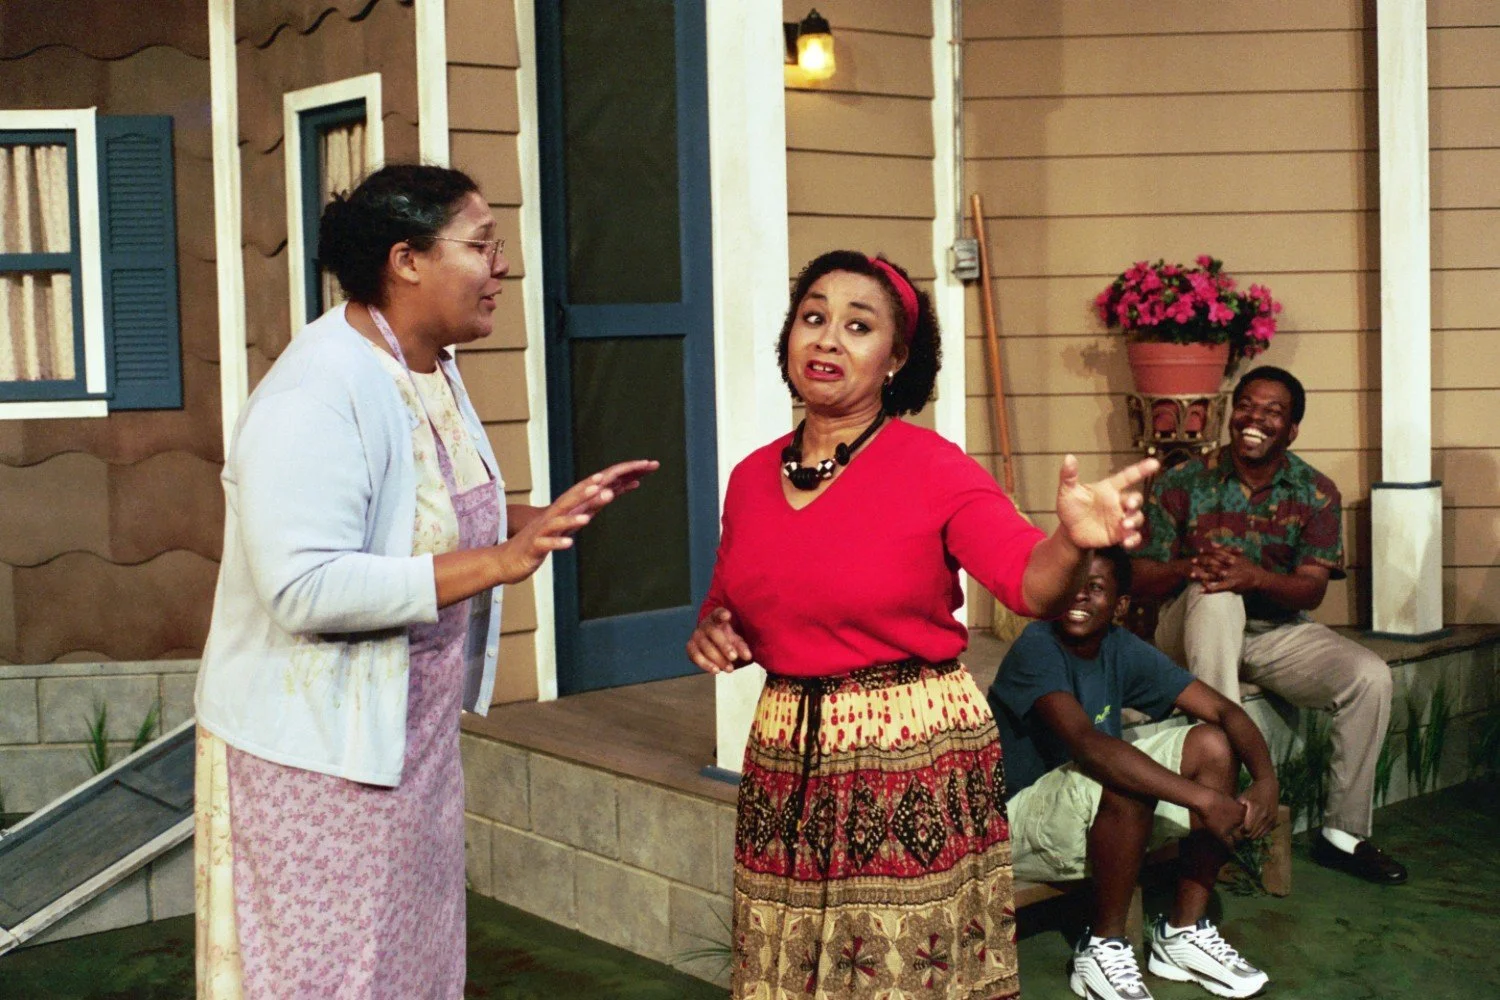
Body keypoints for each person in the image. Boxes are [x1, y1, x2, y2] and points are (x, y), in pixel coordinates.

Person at [192, 164, 656, 999]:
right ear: (406, 260)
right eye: (481, 245)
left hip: (412, 744)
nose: (501, 266)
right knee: (334, 979)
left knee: (413, 967)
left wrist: (540, 518)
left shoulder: (429, 366)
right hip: (322, 763)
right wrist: (501, 563)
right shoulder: (317, 390)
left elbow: (427, 510)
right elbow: (304, 586)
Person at [686, 249, 1159, 1000]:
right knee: (789, 968)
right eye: (812, 318)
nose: (828, 339)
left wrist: (1072, 540)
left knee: (896, 973)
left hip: (907, 749)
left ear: (897, 357)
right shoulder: (750, 478)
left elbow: (1027, 581)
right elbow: (731, 602)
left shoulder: (934, 467)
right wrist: (715, 627)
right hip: (786, 753)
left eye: (857, 325)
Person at [1133, 365, 1406, 885]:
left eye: (1273, 411)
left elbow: (1312, 588)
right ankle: (1221, 810)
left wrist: (1255, 577)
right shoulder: (1183, 480)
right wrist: (1191, 568)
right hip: (1186, 627)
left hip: (1276, 633)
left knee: (1369, 676)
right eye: (1247, 406)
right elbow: (1141, 574)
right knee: (1217, 599)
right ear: (1233, 413)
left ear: (1292, 429)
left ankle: (1342, 836)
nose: (1255, 419)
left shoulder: (1315, 491)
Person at [988, 547, 1276, 1000]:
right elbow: (1087, 744)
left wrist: (1266, 782)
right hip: (1015, 824)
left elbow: (1223, 709)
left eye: (1096, 588)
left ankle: (1181, 934)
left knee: (1213, 745)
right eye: (1070, 585)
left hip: (1083, 809)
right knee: (1120, 769)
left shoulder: (1120, 647)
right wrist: (1201, 800)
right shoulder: (1037, 646)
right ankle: (1101, 947)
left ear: (1120, 605)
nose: (1078, 597)